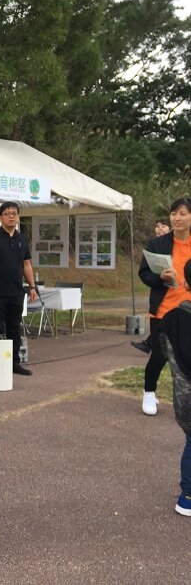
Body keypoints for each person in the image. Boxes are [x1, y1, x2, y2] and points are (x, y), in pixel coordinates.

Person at [138, 197, 191, 416]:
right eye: (173, 213)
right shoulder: (157, 244)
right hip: (164, 310)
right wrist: (160, 276)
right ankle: (149, 391)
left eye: (182, 214)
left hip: (189, 310)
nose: (177, 218)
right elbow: (144, 274)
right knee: (159, 355)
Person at [0, 201, 38, 376]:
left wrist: (32, 286)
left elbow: (27, 264)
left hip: (16, 292)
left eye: (14, 213)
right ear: (0, 217)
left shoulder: (22, 239)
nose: (12, 216)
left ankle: (14, 363)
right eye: (7, 213)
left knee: (14, 328)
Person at [159, 258, 191, 516]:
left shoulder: (171, 318)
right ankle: (188, 497)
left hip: (182, 397)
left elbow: (159, 349)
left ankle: (188, 497)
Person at [132, 217, 172, 353]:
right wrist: (159, 277)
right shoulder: (154, 245)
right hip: (160, 294)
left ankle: (150, 343)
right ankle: (150, 343)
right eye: (157, 226)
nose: (159, 229)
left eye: (163, 226)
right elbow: (145, 272)